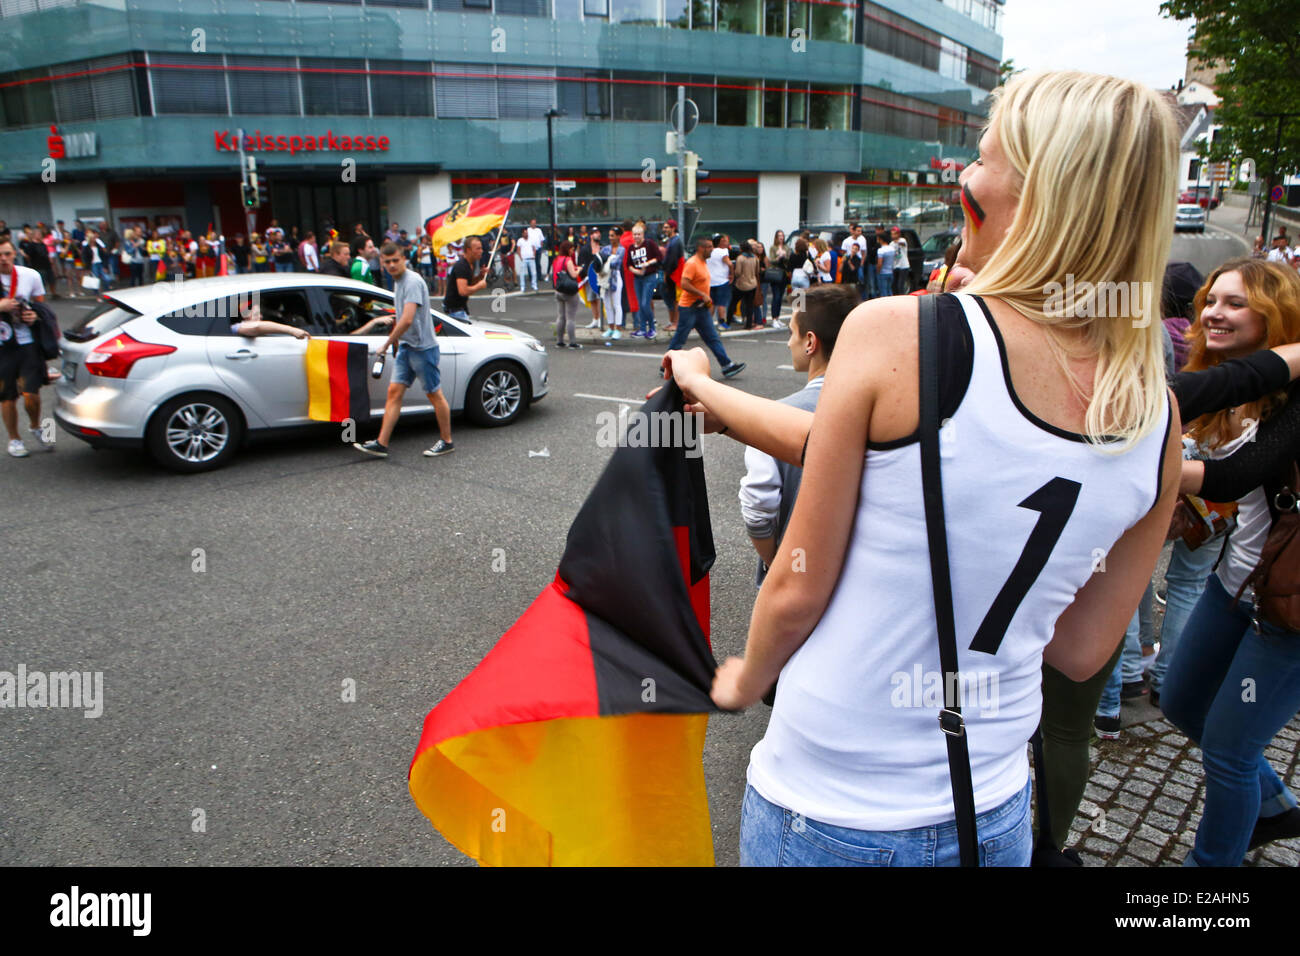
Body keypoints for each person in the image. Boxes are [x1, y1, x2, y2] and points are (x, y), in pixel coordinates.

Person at [662, 70, 1187, 867]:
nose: (962, 179)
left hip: (829, 801)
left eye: (981, 159)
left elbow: (799, 583)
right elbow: (1082, 650)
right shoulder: (1155, 412)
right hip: (992, 806)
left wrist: (742, 678)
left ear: (1038, 192)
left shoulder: (898, 333)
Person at [1160, 259, 1300, 866]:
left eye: (1234, 303)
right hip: (1231, 584)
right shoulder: (1225, 382)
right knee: (1181, 702)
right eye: (1210, 301)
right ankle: (1272, 803)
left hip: (1286, 605)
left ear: (1272, 314)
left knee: (1229, 750)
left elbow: (1239, 473)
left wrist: (1138, 460)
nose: (1214, 312)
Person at [740, 285, 857, 587]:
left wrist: (774, 561)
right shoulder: (888, 411)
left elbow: (757, 510)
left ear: (810, 342)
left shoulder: (776, 417)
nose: (787, 343)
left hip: (800, 578)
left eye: (792, 333)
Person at [354, 242, 454, 460]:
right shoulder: (397, 281)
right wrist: (398, 343)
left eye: (395, 261)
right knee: (394, 392)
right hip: (408, 347)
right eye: (387, 262)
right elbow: (402, 316)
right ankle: (381, 443)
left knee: (434, 394)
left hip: (423, 348)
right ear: (381, 262)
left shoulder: (412, 282)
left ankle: (447, 441)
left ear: (404, 260)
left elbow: (408, 319)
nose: (391, 265)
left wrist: (388, 343)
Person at [0, 237, 52, 457]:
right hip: (2, 346)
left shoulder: (30, 275)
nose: (3, 259)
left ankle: (36, 426)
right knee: (7, 396)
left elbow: (42, 306)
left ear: (15, 254)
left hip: (27, 342)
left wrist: (34, 315)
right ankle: (14, 439)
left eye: (7, 253)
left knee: (32, 393)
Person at [665, 237, 745, 379]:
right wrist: (701, 294)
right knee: (680, 339)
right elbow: (684, 283)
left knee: (713, 338)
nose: (712, 249)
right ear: (701, 248)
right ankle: (665, 366)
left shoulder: (703, 262)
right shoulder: (692, 263)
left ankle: (727, 366)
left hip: (701, 308)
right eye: (709, 247)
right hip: (688, 308)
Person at [627, 224, 662, 339]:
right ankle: (642, 329)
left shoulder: (649, 244)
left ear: (643, 234)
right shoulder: (631, 248)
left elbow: (659, 257)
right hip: (638, 278)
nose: (636, 236)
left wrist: (648, 263)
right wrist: (636, 272)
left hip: (650, 276)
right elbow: (629, 264)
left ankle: (652, 328)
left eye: (639, 234)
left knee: (645, 303)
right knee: (640, 304)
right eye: (635, 234)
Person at [443, 235, 487, 321]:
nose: (481, 251)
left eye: (481, 248)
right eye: (478, 249)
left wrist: (480, 276)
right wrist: (479, 286)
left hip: (461, 307)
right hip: (454, 309)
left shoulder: (471, 263)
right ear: (468, 250)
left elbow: (469, 282)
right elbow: (463, 291)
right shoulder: (462, 266)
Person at [552, 240, 583, 350]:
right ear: (568, 249)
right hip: (569, 292)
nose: (573, 251)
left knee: (561, 317)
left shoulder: (557, 259)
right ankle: (572, 342)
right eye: (572, 249)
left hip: (558, 290)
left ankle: (559, 341)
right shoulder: (568, 260)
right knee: (571, 318)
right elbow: (573, 275)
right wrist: (578, 269)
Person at [598, 227, 624, 340]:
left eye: (613, 235)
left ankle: (618, 328)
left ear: (618, 236)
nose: (610, 238)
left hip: (615, 277)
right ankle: (611, 327)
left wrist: (606, 260)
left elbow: (616, 263)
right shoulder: (606, 248)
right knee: (607, 303)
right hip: (605, 277)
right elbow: (599, 260)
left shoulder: (621, 249)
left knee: (617, 303)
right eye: (609, 235)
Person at [660, 219, 684, 333]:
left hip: (675, 275)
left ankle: (676, 322)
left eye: (667, 227)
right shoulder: (672, 241)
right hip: (673, 274)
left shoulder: (675, 242)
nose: (664, 230)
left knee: (675, 300)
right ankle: (674, 322)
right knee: (673, 299)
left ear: (673, 228)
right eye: (664, 227)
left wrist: (666, 273)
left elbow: (672, 261)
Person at [733, 240, 760, 330]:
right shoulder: (755, 258)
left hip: (742, 284)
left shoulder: (740, 258)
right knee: (750, 305)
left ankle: (728, 321)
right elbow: (757, 271)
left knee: (734, 302)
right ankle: (749, 323)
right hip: (753, 283)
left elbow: (738, 272)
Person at [707, 234, 732, 330]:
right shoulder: (723, 251)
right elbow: (729, 264)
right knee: (721, 303)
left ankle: (708, 323)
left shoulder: (709, 251)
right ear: (721, 241)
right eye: (725, 241)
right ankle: (722, 323)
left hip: (710, 281)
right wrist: (732, 274)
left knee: (712, 303)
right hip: (722, 280)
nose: (727, 243)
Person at [768, 230, 791, 329]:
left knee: (780, 296)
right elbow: (771, 260)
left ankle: (777, 318)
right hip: (776, 273)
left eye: (782, 236)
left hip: (784, 274)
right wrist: (778, 257)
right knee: (776, 296)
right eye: (779, 236)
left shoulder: (787, 247)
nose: (781, 237)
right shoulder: (773, 248)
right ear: (776, 237)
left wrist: (785, 256)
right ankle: (774, 318)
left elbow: (789, 259)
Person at [515, 228, 538, 293]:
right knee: (522, 274)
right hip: (524, 259)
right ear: (522, 234)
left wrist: (534, 255)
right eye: (525, 233)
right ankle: (522, 286)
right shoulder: (520, 240)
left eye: (527, 233)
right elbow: (518, 250)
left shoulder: (531, 240)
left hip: (531, 258)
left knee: (534, 273)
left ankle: (534, 285)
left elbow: (534, 248)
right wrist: (521, 258)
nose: (526, 234)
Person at [874, 232, 895, 298]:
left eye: (878, 239)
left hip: (883, 273)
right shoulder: (892, 249)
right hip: (890, 272)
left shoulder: (881, 250)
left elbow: (880, 263)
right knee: (889, 290)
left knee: (883, 291)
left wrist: (877, 271)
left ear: (881, 240)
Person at [891, 226, 910, 294]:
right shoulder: (891, 244)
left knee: (900, 285)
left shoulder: (902, 240)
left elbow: (903, 244)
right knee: (894, 285)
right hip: (895, 266)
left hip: (903, 266)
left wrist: (897, 242)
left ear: (898, 234)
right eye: (892, 234)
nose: (893, 235)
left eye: (895, 234)